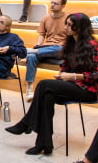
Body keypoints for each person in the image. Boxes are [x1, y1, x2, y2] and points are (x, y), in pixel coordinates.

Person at [5, 13, 98, 156]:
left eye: (69, 24)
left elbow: (95, 74)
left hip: (89, 89)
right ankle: (44, 144)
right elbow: (65, 67)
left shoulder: (92, 46)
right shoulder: (70, 44)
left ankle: (26, 123)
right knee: (47, 96)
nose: (65, 27)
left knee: (43, 84)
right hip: (72, 85)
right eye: (66, 23)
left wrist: (73, 76)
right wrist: (62, 75)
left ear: (79, 27)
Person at [24, 0, 67, 102]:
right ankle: (29, 89)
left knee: (60, 49)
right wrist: (39, 44)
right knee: (31, 57)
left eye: (56, 3)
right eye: (52, 2)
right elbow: (42, 34)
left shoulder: (68, 19)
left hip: (59, 49)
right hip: (45, 48)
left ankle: (32, 51)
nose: (52, 5)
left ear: (62, 6)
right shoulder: (46, 17)